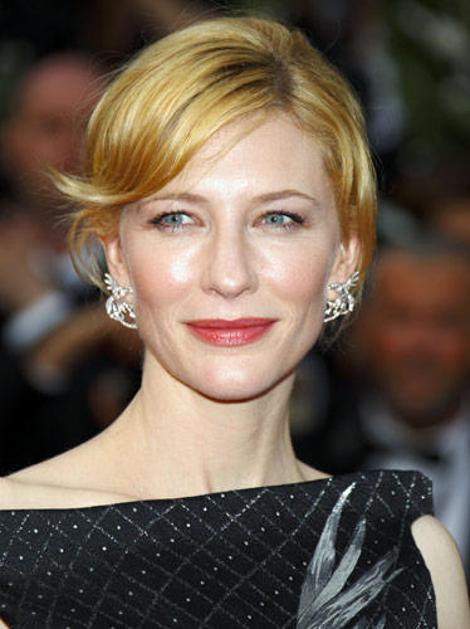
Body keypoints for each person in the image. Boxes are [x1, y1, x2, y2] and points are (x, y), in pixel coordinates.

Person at [0, 16, 468, 628]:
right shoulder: (13, 546)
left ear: (345, 254)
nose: (229, 274)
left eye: (278, 219)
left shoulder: (409, 561)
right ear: (117, 255)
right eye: (177, 219)